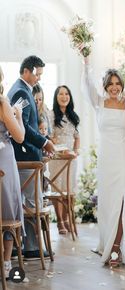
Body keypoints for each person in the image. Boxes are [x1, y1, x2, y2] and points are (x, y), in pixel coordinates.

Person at [81, 57, 125, 267]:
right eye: (110, 84)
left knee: (121, 201)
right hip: (105, 159)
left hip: (123, 157)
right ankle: (108, 242)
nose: (114, 87)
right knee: (107, 204)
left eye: (117, 83)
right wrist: (86, 63)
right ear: (105, 86)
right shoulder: (99, 102)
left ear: (122, 85)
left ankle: (116, 249)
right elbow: (87, 85)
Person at [7, 55, 55, 260]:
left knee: (27, 202)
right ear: (27, 71)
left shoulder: (20, 89)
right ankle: (31, 248)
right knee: (31, 202)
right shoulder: (21, 90)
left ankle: (23, 246)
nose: (38, 79)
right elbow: (23, 127)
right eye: (37, 74)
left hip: (22, 155)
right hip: (25, 157)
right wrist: (44, 142)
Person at [0, 66, 25, 277]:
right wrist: (19, 116)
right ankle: (6, 263)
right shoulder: (2, 103)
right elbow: (19, 137)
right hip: (3, 160)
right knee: (6, 209)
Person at [49, 85, 80, 234]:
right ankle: (60, 221)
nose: (64, 96)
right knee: (58, 189)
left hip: (71, 158)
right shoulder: (51, 115)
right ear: (56, 97)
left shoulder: (73, 115)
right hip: (57, 157)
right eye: (61, 94)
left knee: (69, 189)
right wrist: (61, 148)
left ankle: (68, 218)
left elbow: (77, 137)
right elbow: (49, 137)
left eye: (67, 93)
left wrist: (75, 151)